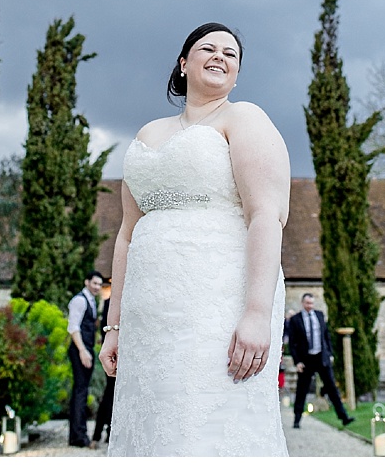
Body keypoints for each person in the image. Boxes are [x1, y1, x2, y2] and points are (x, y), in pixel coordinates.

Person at [103, 23, 290, 456]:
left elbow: (267, 214)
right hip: (150, 317)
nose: (220, 56)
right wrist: (115, 326)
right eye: (208, 48)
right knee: (152, 426)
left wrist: (257, 313)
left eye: (231, 53)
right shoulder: (148, 134)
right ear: (184, 64)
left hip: (218, 304)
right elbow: (127, 235)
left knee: (207, 422)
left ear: (237, 74)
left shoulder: (244, 118)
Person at [283, 293, 354, 428]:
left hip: (321, 357)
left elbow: (326, 336)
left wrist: (330, 354)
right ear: (303, 303)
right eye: (308, 303)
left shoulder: (320, 315)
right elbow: (293, 343)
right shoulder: (296, 320)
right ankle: (297, 419)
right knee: (302, 390)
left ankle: (344, 417)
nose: (310, 306)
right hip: (306, 360)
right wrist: (297, 361)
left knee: (332, 387)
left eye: (312, 303)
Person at [66, 270, 106, 447]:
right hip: (79, 350)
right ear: (87, 282)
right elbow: (73, 327)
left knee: (82, 391)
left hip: (86, 348)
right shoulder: (80, 300)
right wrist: (82, 350)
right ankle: (78, 436)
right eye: (95, 283)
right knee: (80, 392)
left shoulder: (91, 300)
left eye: (99, 284)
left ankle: (79, 434)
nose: (97, 287)